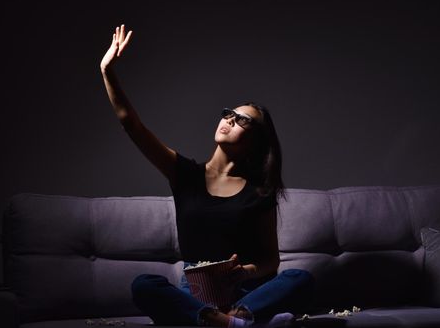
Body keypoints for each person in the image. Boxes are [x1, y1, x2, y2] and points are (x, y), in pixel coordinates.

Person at [100, 24, 315, 327]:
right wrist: (107, 70)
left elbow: (271, 260)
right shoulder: (184, 172)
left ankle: (234, 318)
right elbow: (131, 125)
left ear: (256, 141)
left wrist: (246, 272)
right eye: (230, 113)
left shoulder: (259, 192)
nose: (230, 119)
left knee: (300, 278)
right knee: (144, 285)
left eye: (243, 121)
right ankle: (228, 321)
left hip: (245, 290)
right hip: (196, 293)